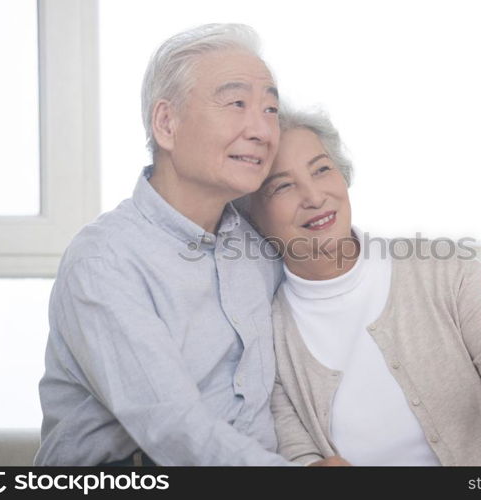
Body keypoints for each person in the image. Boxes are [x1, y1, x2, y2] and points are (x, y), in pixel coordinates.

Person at [244, 109, 481, 466]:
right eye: (282, 185)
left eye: (321, 169)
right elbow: (297, 453)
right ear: (252, 216)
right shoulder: (264, 335)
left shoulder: (444, 271)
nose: (314, 196)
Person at [35, 24, 294, 466]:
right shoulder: (105, 261)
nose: (262, 130)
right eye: (237, 103)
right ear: (166, 123)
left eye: (271, 109)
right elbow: (175, 432)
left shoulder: (259, 248)